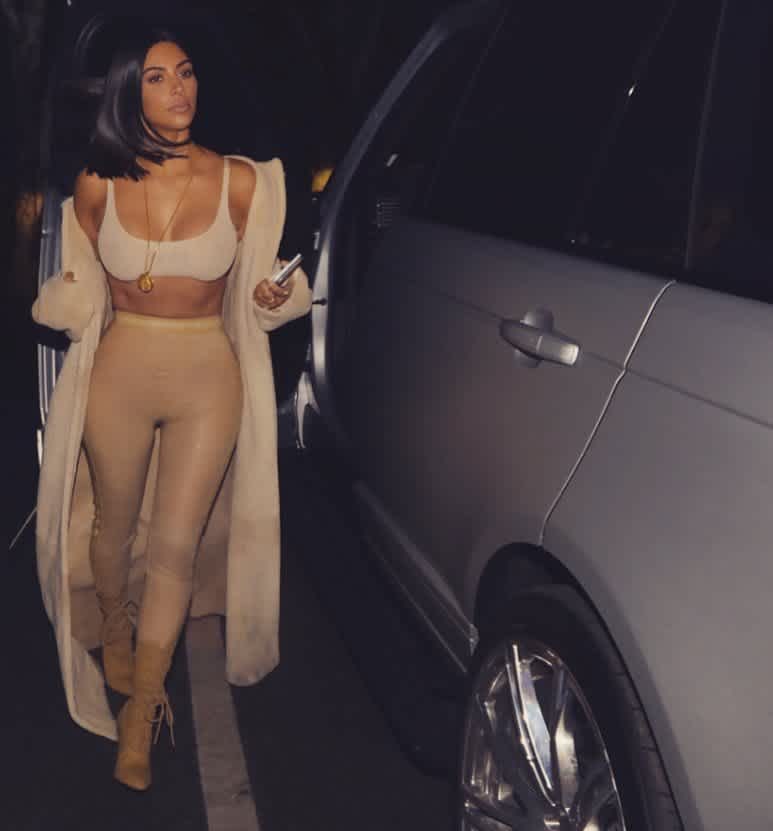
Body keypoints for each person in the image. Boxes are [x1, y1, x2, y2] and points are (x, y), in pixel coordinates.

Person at [31, 24, 312, 791]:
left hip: (207, 377)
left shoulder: (242, 182)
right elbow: (83, 288)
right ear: (130, 94)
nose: (178, 89)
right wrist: (62, 299)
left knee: (175, 547)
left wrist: (274, 295)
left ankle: (141, 708)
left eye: (185, 73)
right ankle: (113, 624)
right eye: (157, 78)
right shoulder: (97, 184)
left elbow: (270, 285)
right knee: (114, 525)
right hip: (120, 372)